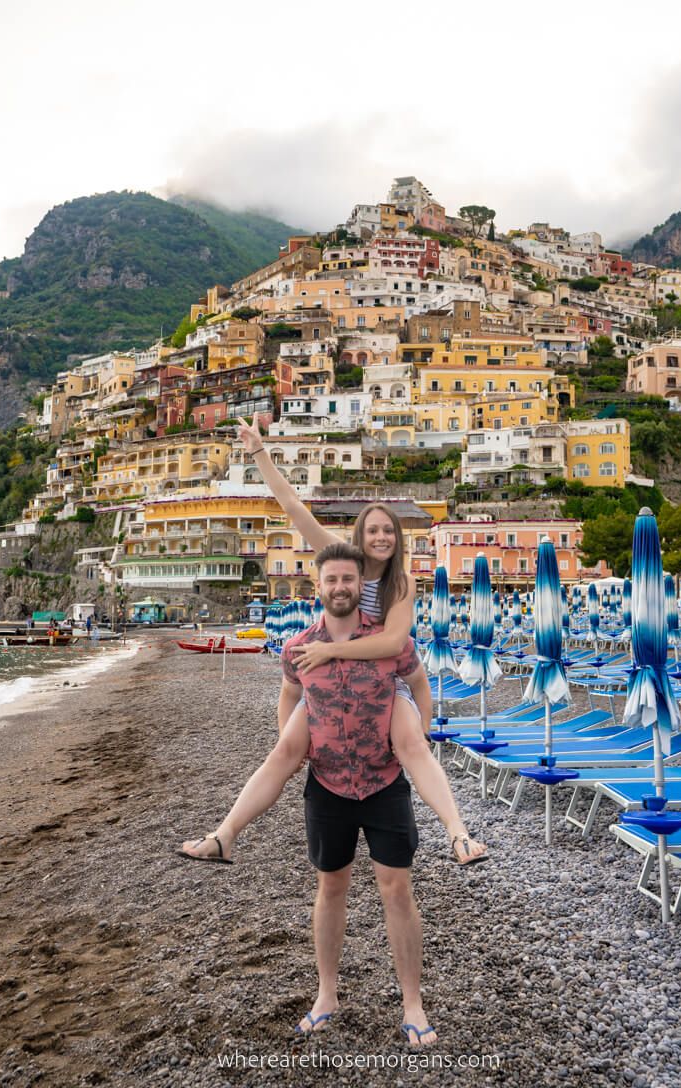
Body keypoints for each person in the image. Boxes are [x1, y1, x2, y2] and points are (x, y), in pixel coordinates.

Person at [179, 414, 486, 869]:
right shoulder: (343, 564)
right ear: (359, 536)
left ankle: (459, 836)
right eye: (372, 529)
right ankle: (224, 836)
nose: (381, 536)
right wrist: (259, 451)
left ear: (397, 539)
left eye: (388, 531)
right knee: (283, 751)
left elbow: (393, 642)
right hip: (330, 685)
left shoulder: (400, 583)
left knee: (413, 747)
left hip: (383, 681)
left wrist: (328, 650)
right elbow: (293, 508)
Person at [285, 544, 438, 1042]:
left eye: (348, 579)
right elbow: (290, 690)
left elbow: (418, 681)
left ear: (359, 586)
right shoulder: (298, 647)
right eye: (331, 580)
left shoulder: (389, 642)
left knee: (397, 890)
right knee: (331, 888)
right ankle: (327, 992)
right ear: (319, 587)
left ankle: (412, 1002)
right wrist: (289, 739)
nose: (340, 587)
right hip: (327, 784)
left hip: (384, 781)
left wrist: (423, 728)